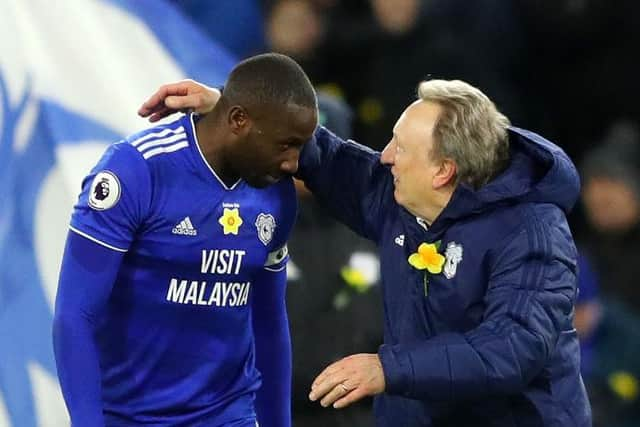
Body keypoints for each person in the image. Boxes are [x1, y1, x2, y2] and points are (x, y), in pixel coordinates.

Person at [138, 78, 591, 426]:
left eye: (400, 147)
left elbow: (512, 347)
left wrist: (388, 369)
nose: (386, 157)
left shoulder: (533, 231)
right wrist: (232, 109)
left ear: (443, 171)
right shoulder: (397, 200)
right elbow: (327, 157)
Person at [53, 53, 318, 427]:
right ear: (238, 120)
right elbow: (75, 314)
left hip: (227, 413)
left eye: (300, 148)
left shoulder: (276, 194)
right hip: (129, 416)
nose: (293, 164)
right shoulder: (137, 170)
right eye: (284, 145)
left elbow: (269, 320)